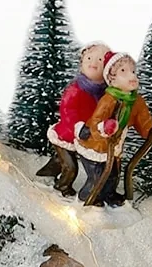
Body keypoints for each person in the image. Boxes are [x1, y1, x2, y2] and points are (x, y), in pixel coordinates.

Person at [77, 53, 152, 205]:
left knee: (113, 175)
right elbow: (96, 121)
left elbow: (144, 124)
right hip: (95, 144)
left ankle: (109, 195)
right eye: (123, 71)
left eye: (133, 71)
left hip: (115, 145)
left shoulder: (136, 102)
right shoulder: (108, 100)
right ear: (112, 79)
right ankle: (88, 196)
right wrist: (105, 128)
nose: (131, 76)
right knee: (97, 176)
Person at [46, 41, 111, 194]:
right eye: (89, 58)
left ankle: (51, 169)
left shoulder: (105, 93)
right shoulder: (75, 89)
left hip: (86, 138)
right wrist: (79, 127)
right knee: (71, 168)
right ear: (82, 63)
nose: (93, 63)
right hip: (67, 135)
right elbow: (67, 111)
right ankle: (62, 187)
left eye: (100, 60)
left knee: (63, 160)